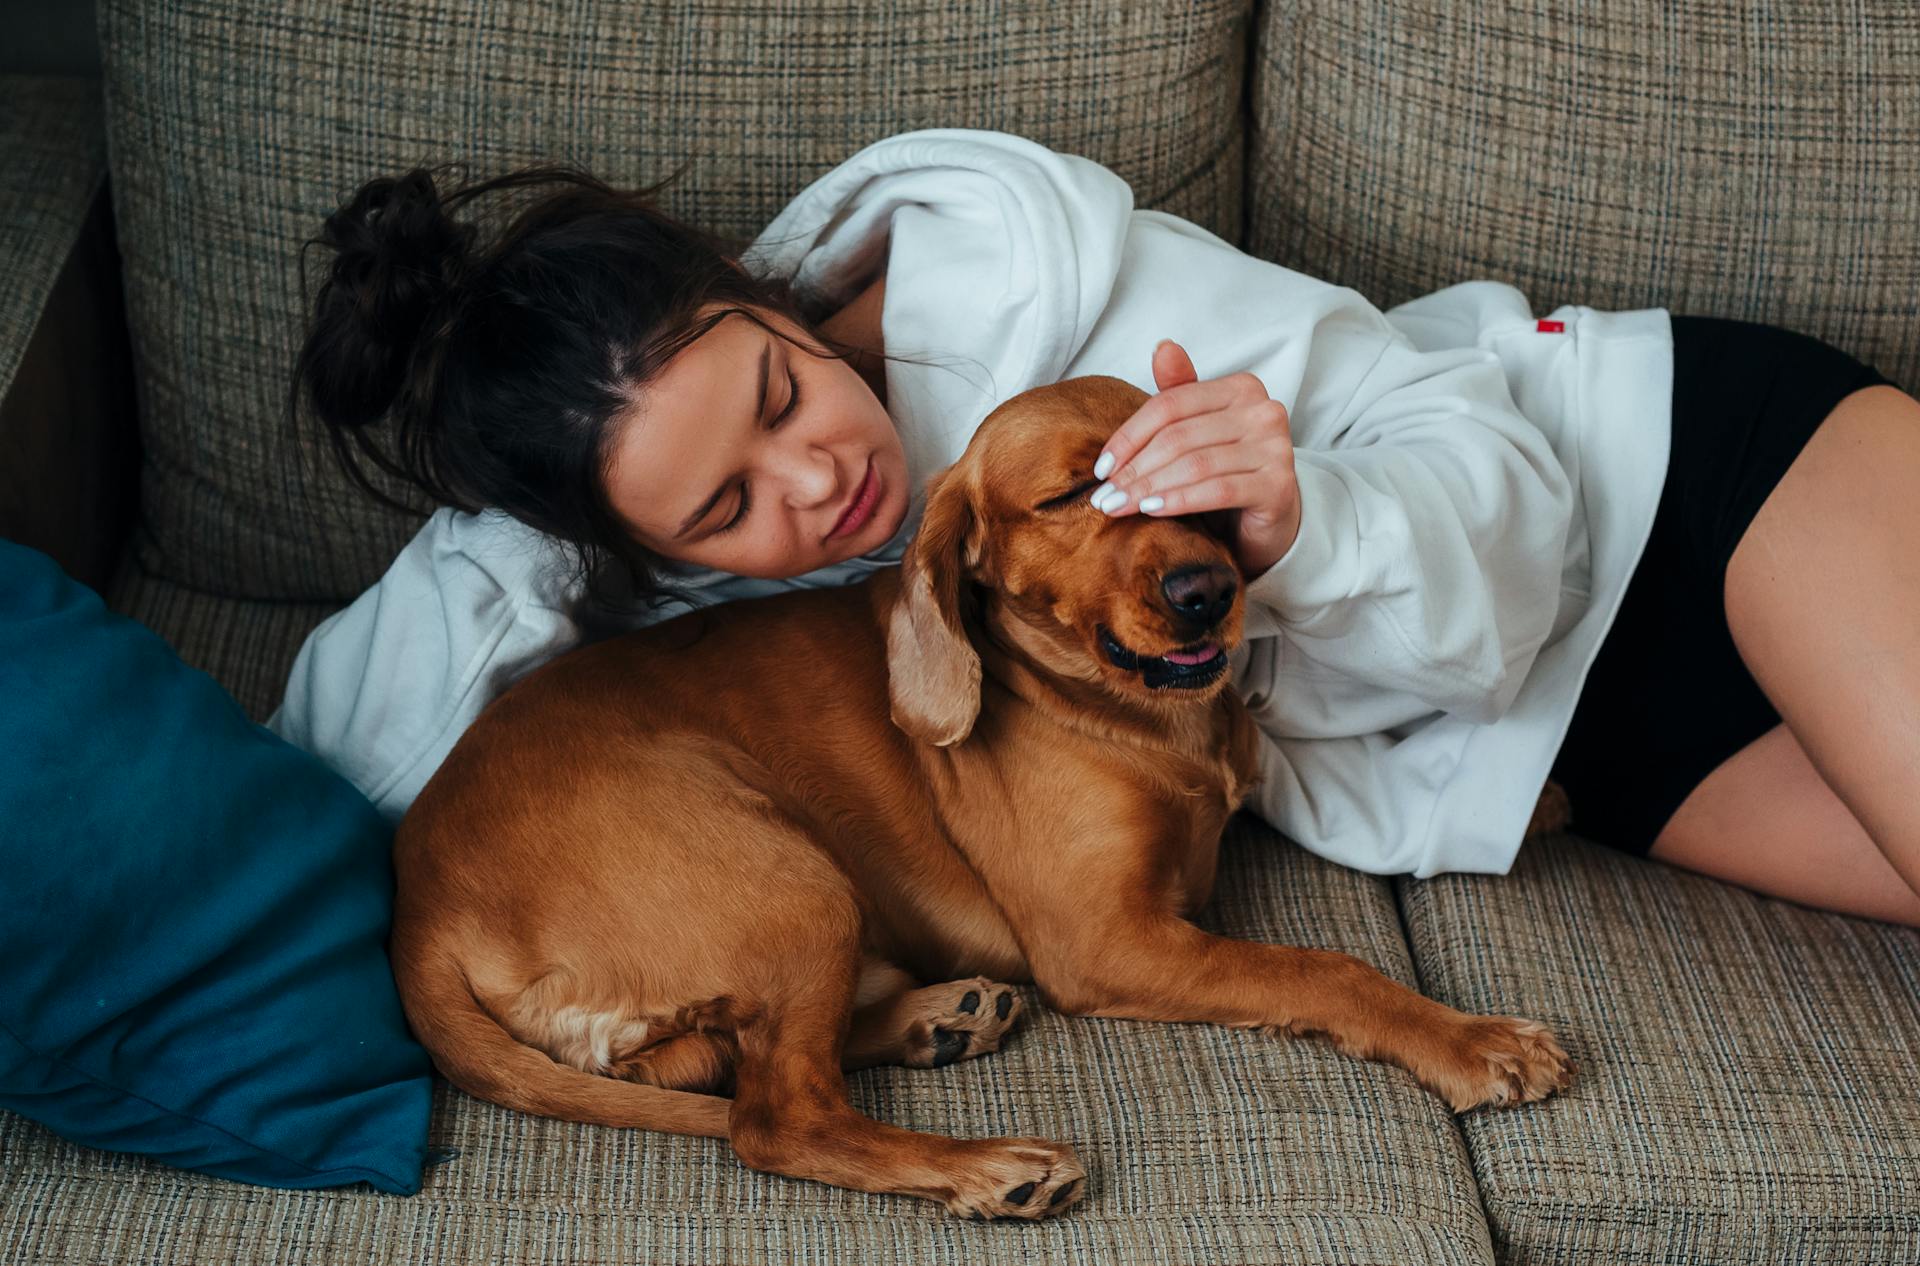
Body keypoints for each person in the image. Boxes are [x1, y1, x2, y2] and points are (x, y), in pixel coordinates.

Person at [269, 127, 1920, 927]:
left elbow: (1462, 438)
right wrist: (537, 545)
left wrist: (1308, 515)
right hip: (1578, 750)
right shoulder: (690, 590)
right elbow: (331, 758)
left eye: (778, 395)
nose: (815, 480)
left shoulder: (1057, 298)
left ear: (758, 296)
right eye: (724, 505)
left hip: (1681, 476)